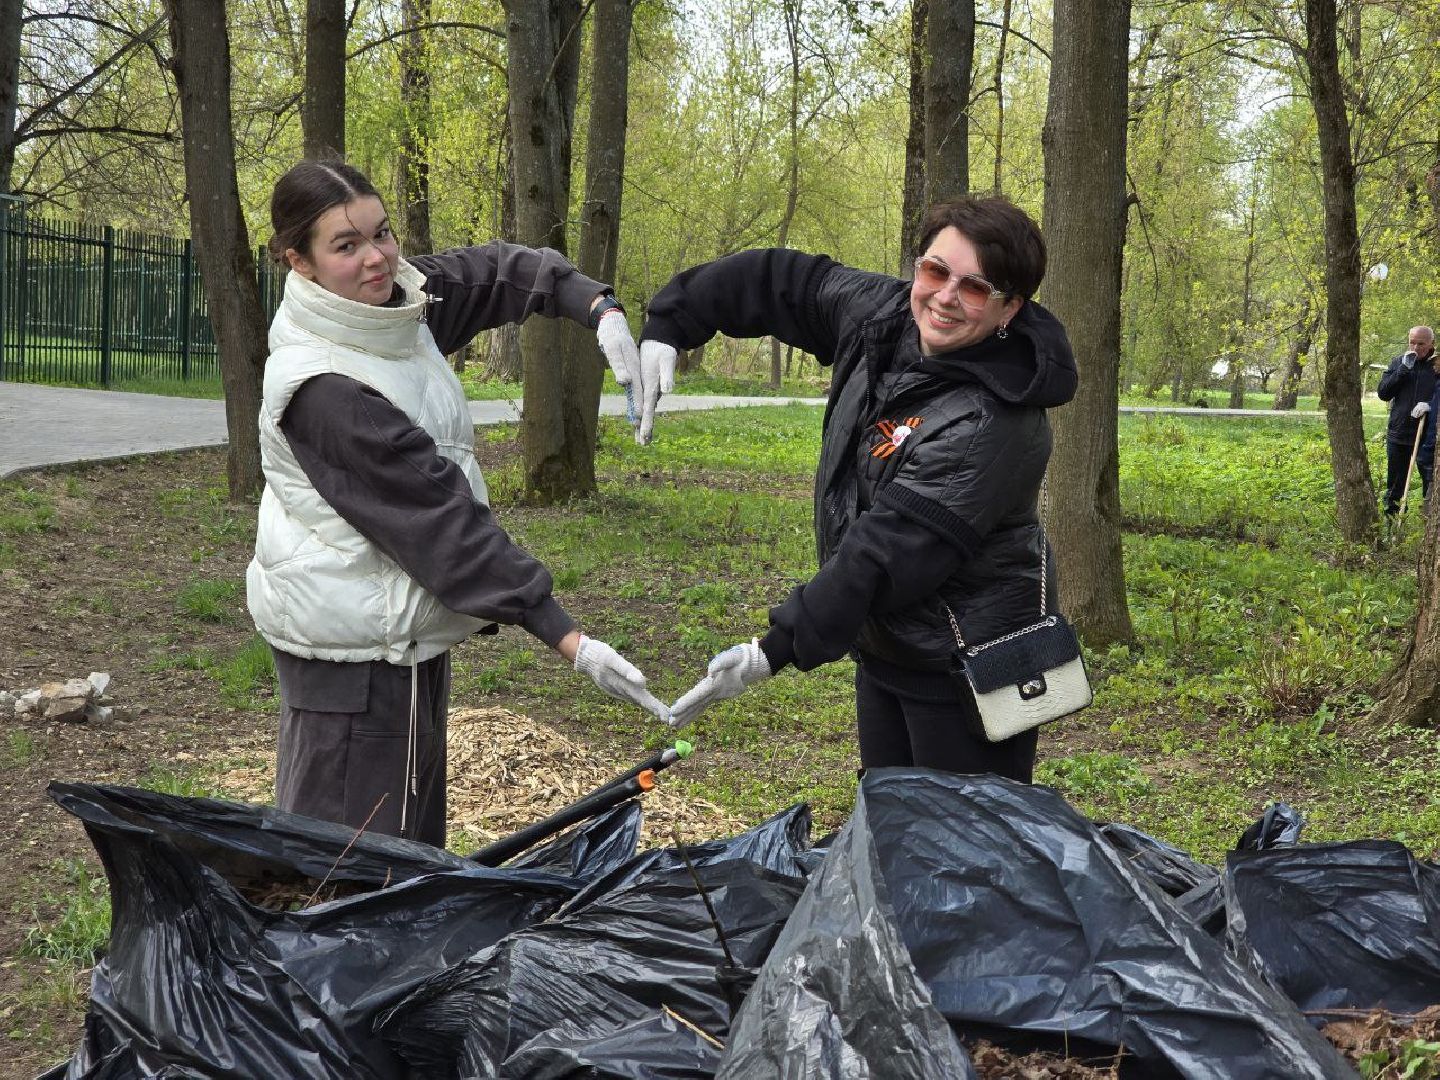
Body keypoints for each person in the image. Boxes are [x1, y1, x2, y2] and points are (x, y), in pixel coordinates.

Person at [247, 160, 668, 848]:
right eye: (345, 246)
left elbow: (502, 271)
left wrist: (598, 307)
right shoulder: (324, 386)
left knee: (407, 855)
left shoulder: (392, 309)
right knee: (354, 871)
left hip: (397, 638)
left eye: (382, 233)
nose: (377, 258)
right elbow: (444, 526)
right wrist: (574, 642)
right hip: (358, 666)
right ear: (300, 261)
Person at [636, 196, 1077, 781]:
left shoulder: (994, 423)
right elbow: (781, 281)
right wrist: (674, 319)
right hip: (888, 649)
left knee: (966, 857)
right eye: (935, 271)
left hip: (970, 673)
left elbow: (882, 554)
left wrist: (770, 650)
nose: (944, 296)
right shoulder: (884, 315)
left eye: (975, 287)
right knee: (890, 829)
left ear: (1008, 308)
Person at [1376, 326, 1437, 515]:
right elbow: (1384, 393)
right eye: (1412, 342)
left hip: (1428, 437)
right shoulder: (1398, 362)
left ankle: (1429, 527)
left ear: (1431, 344)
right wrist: (1403, 369)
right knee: (1395, 487)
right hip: (1399, 434)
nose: (1415, 347)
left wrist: (1430, 404)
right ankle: (1393, 526)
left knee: (1431, 486)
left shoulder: (1437, 365)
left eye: (1421, 343)